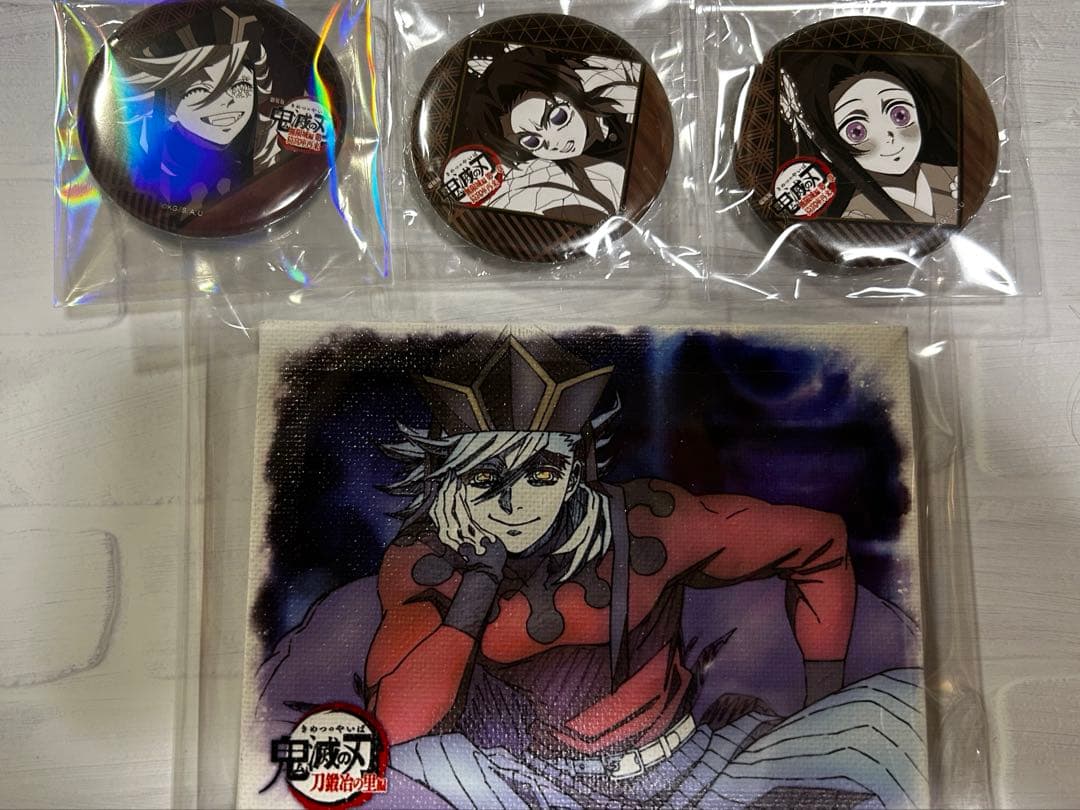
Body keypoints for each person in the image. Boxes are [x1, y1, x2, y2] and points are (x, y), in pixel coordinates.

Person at [115, 6, 283, 210]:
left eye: (241, 87)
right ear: (167, 105)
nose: (228, 102)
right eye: (200, 90)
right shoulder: (139, 169)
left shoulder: (263, 162)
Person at [461, 45, 641, 224]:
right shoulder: (574, 175)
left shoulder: (616, 85)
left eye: (557, 117)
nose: (554, 143)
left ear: (570, 92)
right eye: (532, 141)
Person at [783, 53, 960, 224]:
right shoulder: (855, 218)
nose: (888, 137)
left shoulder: (954, 177)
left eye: (900, 114)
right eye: (857, 131)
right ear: (828, 150)